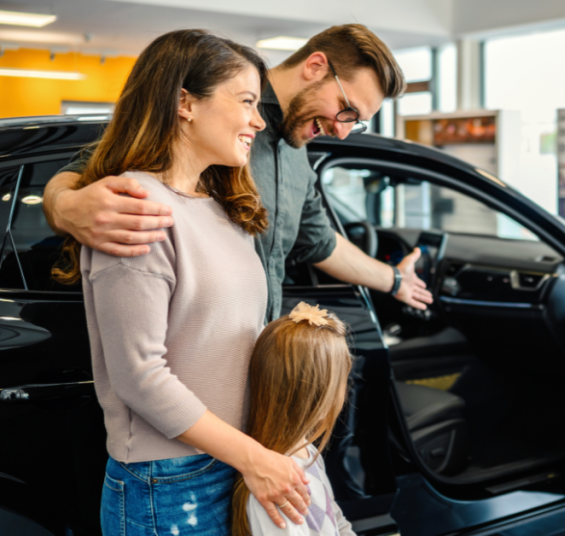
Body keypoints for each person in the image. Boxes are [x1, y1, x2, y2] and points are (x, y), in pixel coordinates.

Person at [58, 30, 314, 535]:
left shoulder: (220, 207)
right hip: (170, 480)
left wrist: (271, 438)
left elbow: (235, 341)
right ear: (184, 103)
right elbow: (139, 377)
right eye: (245, 101)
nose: (259, 121)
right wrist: (252, 457)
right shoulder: (136, 207)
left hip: (231, 459)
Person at [42, 24, 432, 325]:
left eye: (356, 122)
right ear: (315, 67)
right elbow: (97, 166)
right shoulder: (215, 119)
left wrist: (394, 281)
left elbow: (318, 241)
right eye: (347, 111)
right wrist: (66, 206)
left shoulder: (297, 154)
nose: (343, 130)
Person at [234, 302, 357, 536]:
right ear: (319, 395)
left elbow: (337, 521)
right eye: (343, 380)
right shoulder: (277, 486)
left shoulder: (307, 452)